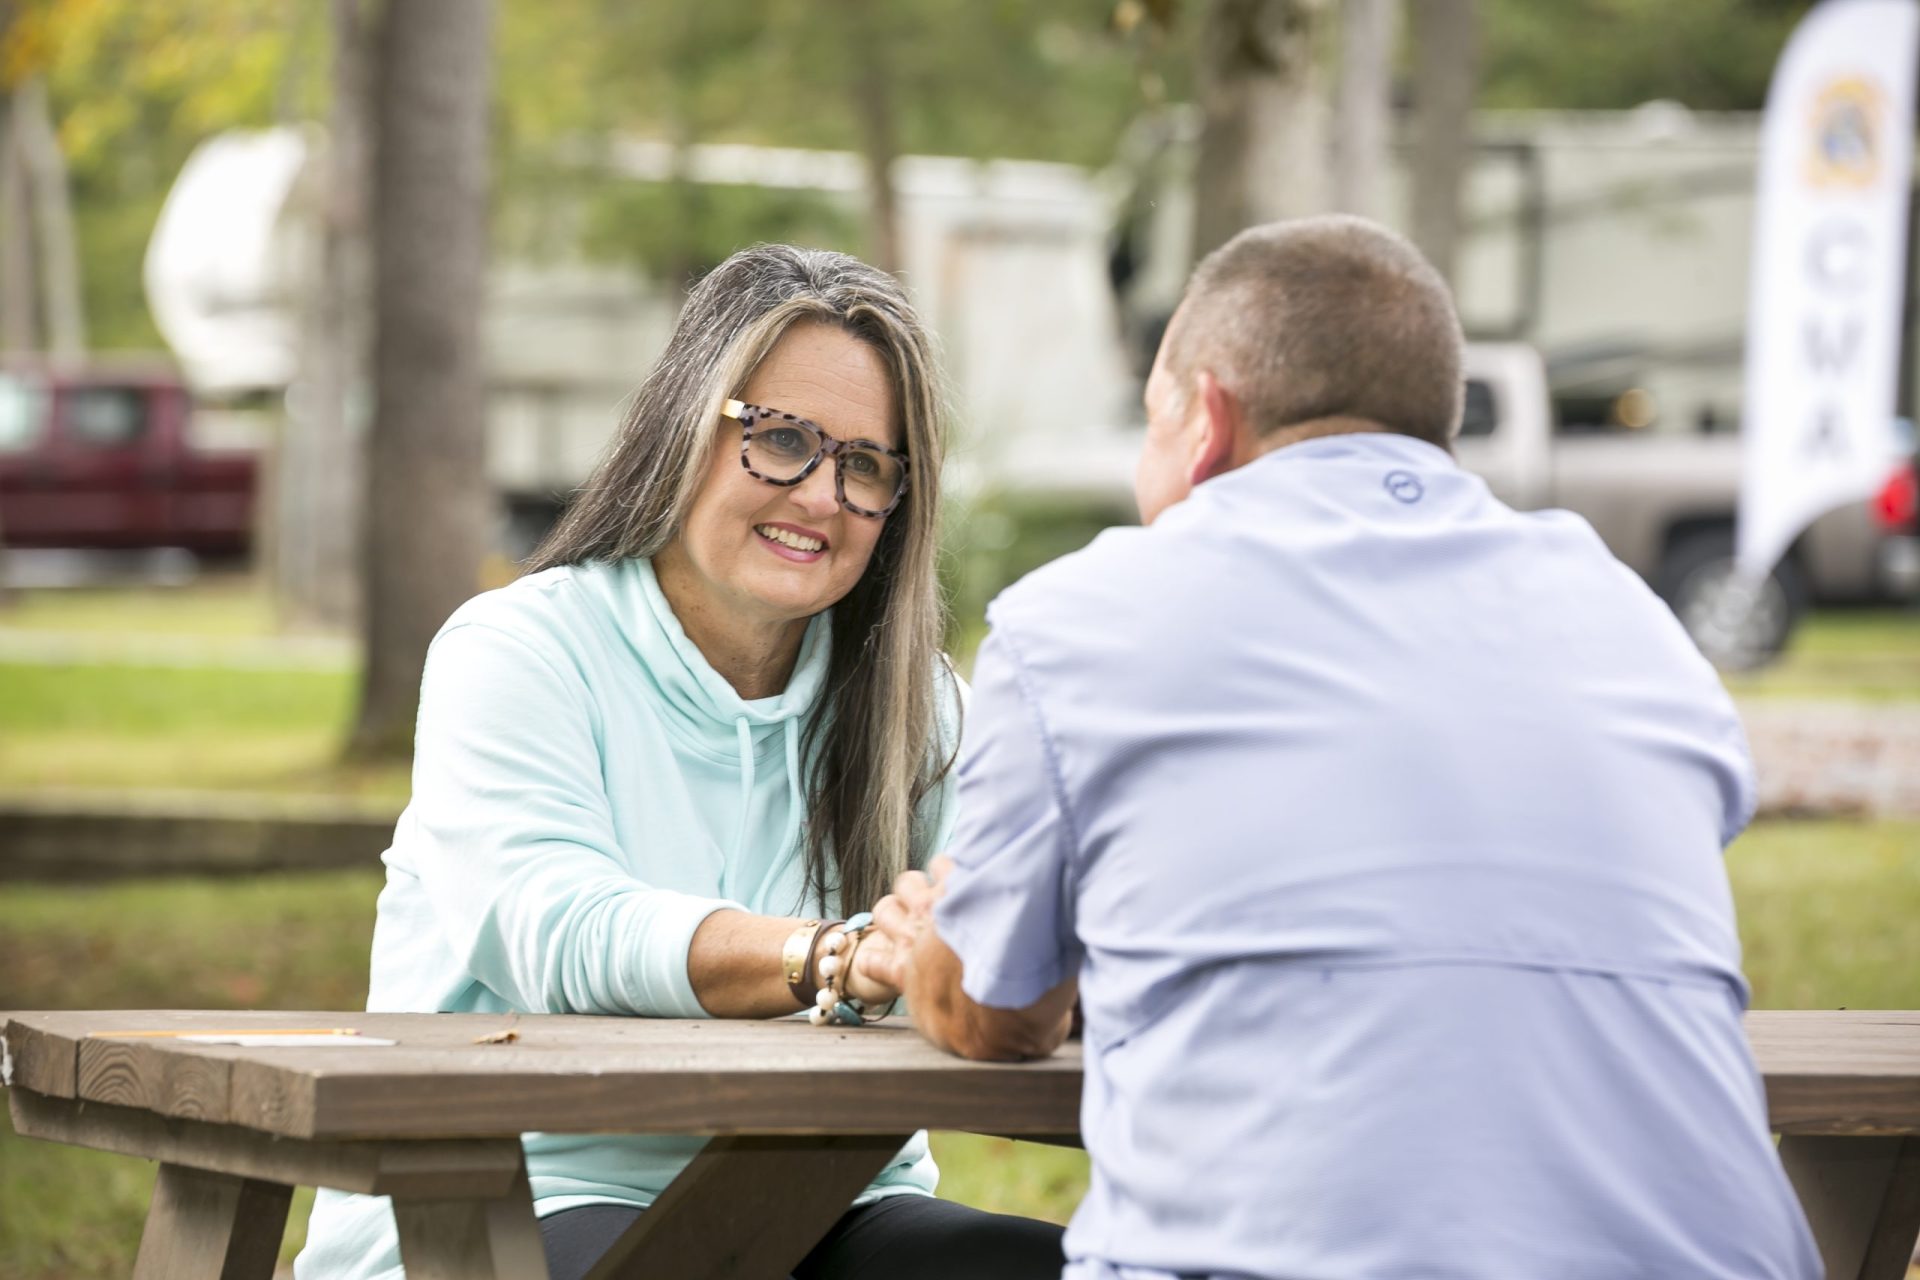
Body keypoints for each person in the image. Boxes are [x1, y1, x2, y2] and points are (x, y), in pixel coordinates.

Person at [872, 215, 1822, 1280]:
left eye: (1151, 422)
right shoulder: (1634, 623)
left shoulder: (1083, 622)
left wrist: (935, 937)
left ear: (1205, 422)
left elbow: (992, 1007)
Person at [294, 245, 1062, 1280]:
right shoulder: (520, 649)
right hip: (499, 1196)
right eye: (782, 438)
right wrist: (835, 954)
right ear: (683, 427)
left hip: (830, 1200)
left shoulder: (914, 704)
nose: (824, 495)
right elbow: (558, 924)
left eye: (866, 463)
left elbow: (995, 931)